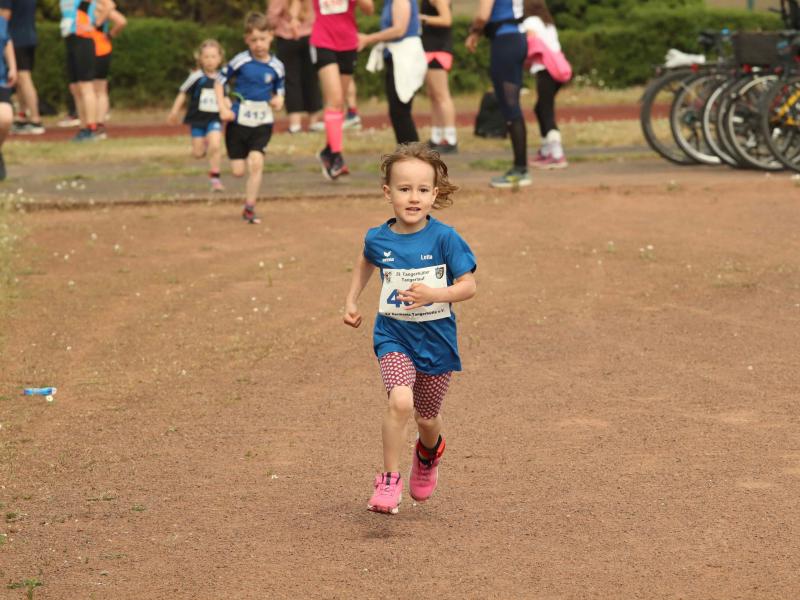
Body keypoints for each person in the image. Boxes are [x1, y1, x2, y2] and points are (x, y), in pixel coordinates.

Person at [343, 142, 477, 515]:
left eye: (422, 189)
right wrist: (352, 300)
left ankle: (428, 453)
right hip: (394, 335)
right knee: (400, 400)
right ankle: (389, 480)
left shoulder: (445, 238)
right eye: (404, 189)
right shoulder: (378, 238)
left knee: (426, 418)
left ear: (434, 194)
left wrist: (434, 294)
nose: (413, 197)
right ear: (388, 193)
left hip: (435, 341)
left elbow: (468, 286)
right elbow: (366, 261)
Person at [215, 12, 285, 225]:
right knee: (238, 171)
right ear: (247, 39)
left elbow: (279, 91)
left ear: (271, 36)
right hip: (238, 122)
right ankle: (240, 162)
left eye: (262, 39)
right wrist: (223, 105)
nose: (259, 44)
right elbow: (219, 81)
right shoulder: (241, 60)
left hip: (262, 122)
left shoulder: (277, 66)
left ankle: (249, 207)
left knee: (256, 162)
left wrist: (278, 100)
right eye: (254, 40)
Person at [466, 0, 531, 188]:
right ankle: (520, 168)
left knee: (510, 106)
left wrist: (474, 32)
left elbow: (482, 15)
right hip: (515, 38)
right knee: (511, 105)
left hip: (506, 42)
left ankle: (520, 169)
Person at [310, 0, 374, 180]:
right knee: (335, 100)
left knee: (338, 106)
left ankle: (328, 152)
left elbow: (369, 10)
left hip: (348, 43)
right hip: (323, 41)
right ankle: (337, 156)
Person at [359, 0, 425, 145]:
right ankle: (407, 152)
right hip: (397, 57)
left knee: (400, 111)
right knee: (398, 111)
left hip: (404, 57)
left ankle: (412, 153)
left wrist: (368, 38)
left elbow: (399, 29)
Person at [168, 39, 226, 193]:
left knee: (216, 144)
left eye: (213, 57)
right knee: (198, 153)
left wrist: (228, 109)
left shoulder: (222, 78)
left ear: (219, 58)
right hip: (197, 119)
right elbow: (182, 93)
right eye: (206, 57)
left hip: (214, 118)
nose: (210, 60)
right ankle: (204, 145)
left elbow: (226, 97)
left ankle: (215, 178)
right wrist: (174, 111)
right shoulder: (196, 77)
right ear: (200, 58)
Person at [267, 0, 323, 134]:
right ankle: (314, 122)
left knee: (291, 80)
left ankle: (295, 124)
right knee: (311, 79)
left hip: (286, 40)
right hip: (310, 38)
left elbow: (271, 18)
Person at [522, 0, 567, 169]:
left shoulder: (530, 21)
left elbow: (530, 43)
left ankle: (556, 154)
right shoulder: (548, 23)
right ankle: (546, 149)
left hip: (545, 70)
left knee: (545, 110)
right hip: (557, 70)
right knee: (540, 108)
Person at [60, 0, 99, 142]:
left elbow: (108, 6)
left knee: (86, 85)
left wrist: (94, 25)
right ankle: (83, 127)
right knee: (75, 87)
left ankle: (91, 128)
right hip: (71, 40)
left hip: (84, 39)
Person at [420, 0, 457, 153]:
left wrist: (422, 18)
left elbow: (447, 19)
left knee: (442, 95)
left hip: (438, 50)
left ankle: (450, 139)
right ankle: (436, 137)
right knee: (433, 95)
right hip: (429, 49)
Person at [92, 0, 126, 139]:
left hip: (93, 49)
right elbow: (121, 22)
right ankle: (98, 123)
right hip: (102, 48)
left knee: (94, 89)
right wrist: (110, 35)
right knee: (100, 89)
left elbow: (121, 21)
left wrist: (108, 34)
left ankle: (94, 124)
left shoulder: (97, 5)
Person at [8, 0, 42, 134]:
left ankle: (35, 119)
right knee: (20, 79)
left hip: (17, 39)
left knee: (23, 77)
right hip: (28, 36)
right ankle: (22, 116)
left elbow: (4, 15)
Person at [0, 0, 17, 179]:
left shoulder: (1, 21)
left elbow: (7, 41)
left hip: (0, 78)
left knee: (5, 118)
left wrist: (12, 66)